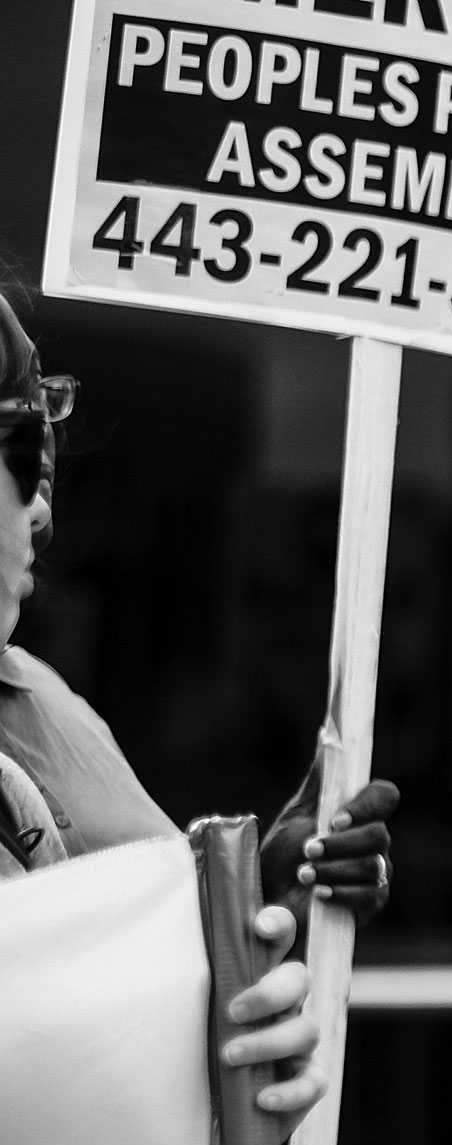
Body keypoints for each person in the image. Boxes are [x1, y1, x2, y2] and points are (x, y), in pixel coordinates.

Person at [0, 287, 396, 1093]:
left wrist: (258, 902)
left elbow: (135, 984)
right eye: (18, 457)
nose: (43, 513)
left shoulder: (45, 701)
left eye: (45, 456)